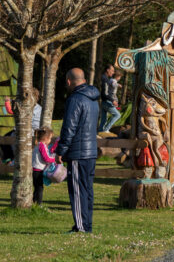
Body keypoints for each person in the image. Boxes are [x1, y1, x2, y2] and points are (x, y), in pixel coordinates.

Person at [56, 68, 99, 233]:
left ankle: (81, 227)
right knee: (87, 190)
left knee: (77, 190)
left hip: (78, 151)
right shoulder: (93, 98)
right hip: (91, 151)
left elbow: (69, 127)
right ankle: (86, 225)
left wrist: (61, 150)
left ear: (68, 81)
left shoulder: (75, 99)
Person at [32, 127, 58, 205]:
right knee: (39, 188)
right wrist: (54, 159)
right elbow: (46, 158)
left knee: (37, 187)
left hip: (36, 169)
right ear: (46, 138)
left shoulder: (39, 145)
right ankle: (39, 204)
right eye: (50, 138)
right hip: (37, 170)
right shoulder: (42, 145)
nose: (50, 140)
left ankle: (33, 201)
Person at [98, 64, 121, 133]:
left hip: (103, 101)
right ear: (107, 70)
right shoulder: (105, 79)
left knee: (104, 119)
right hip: (106, 101)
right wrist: (112, 100)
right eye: (112, 70)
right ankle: (106, 129)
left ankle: (101, 131)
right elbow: (105, 93)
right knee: (117, 115)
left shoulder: (107, 79)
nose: (113, 72)